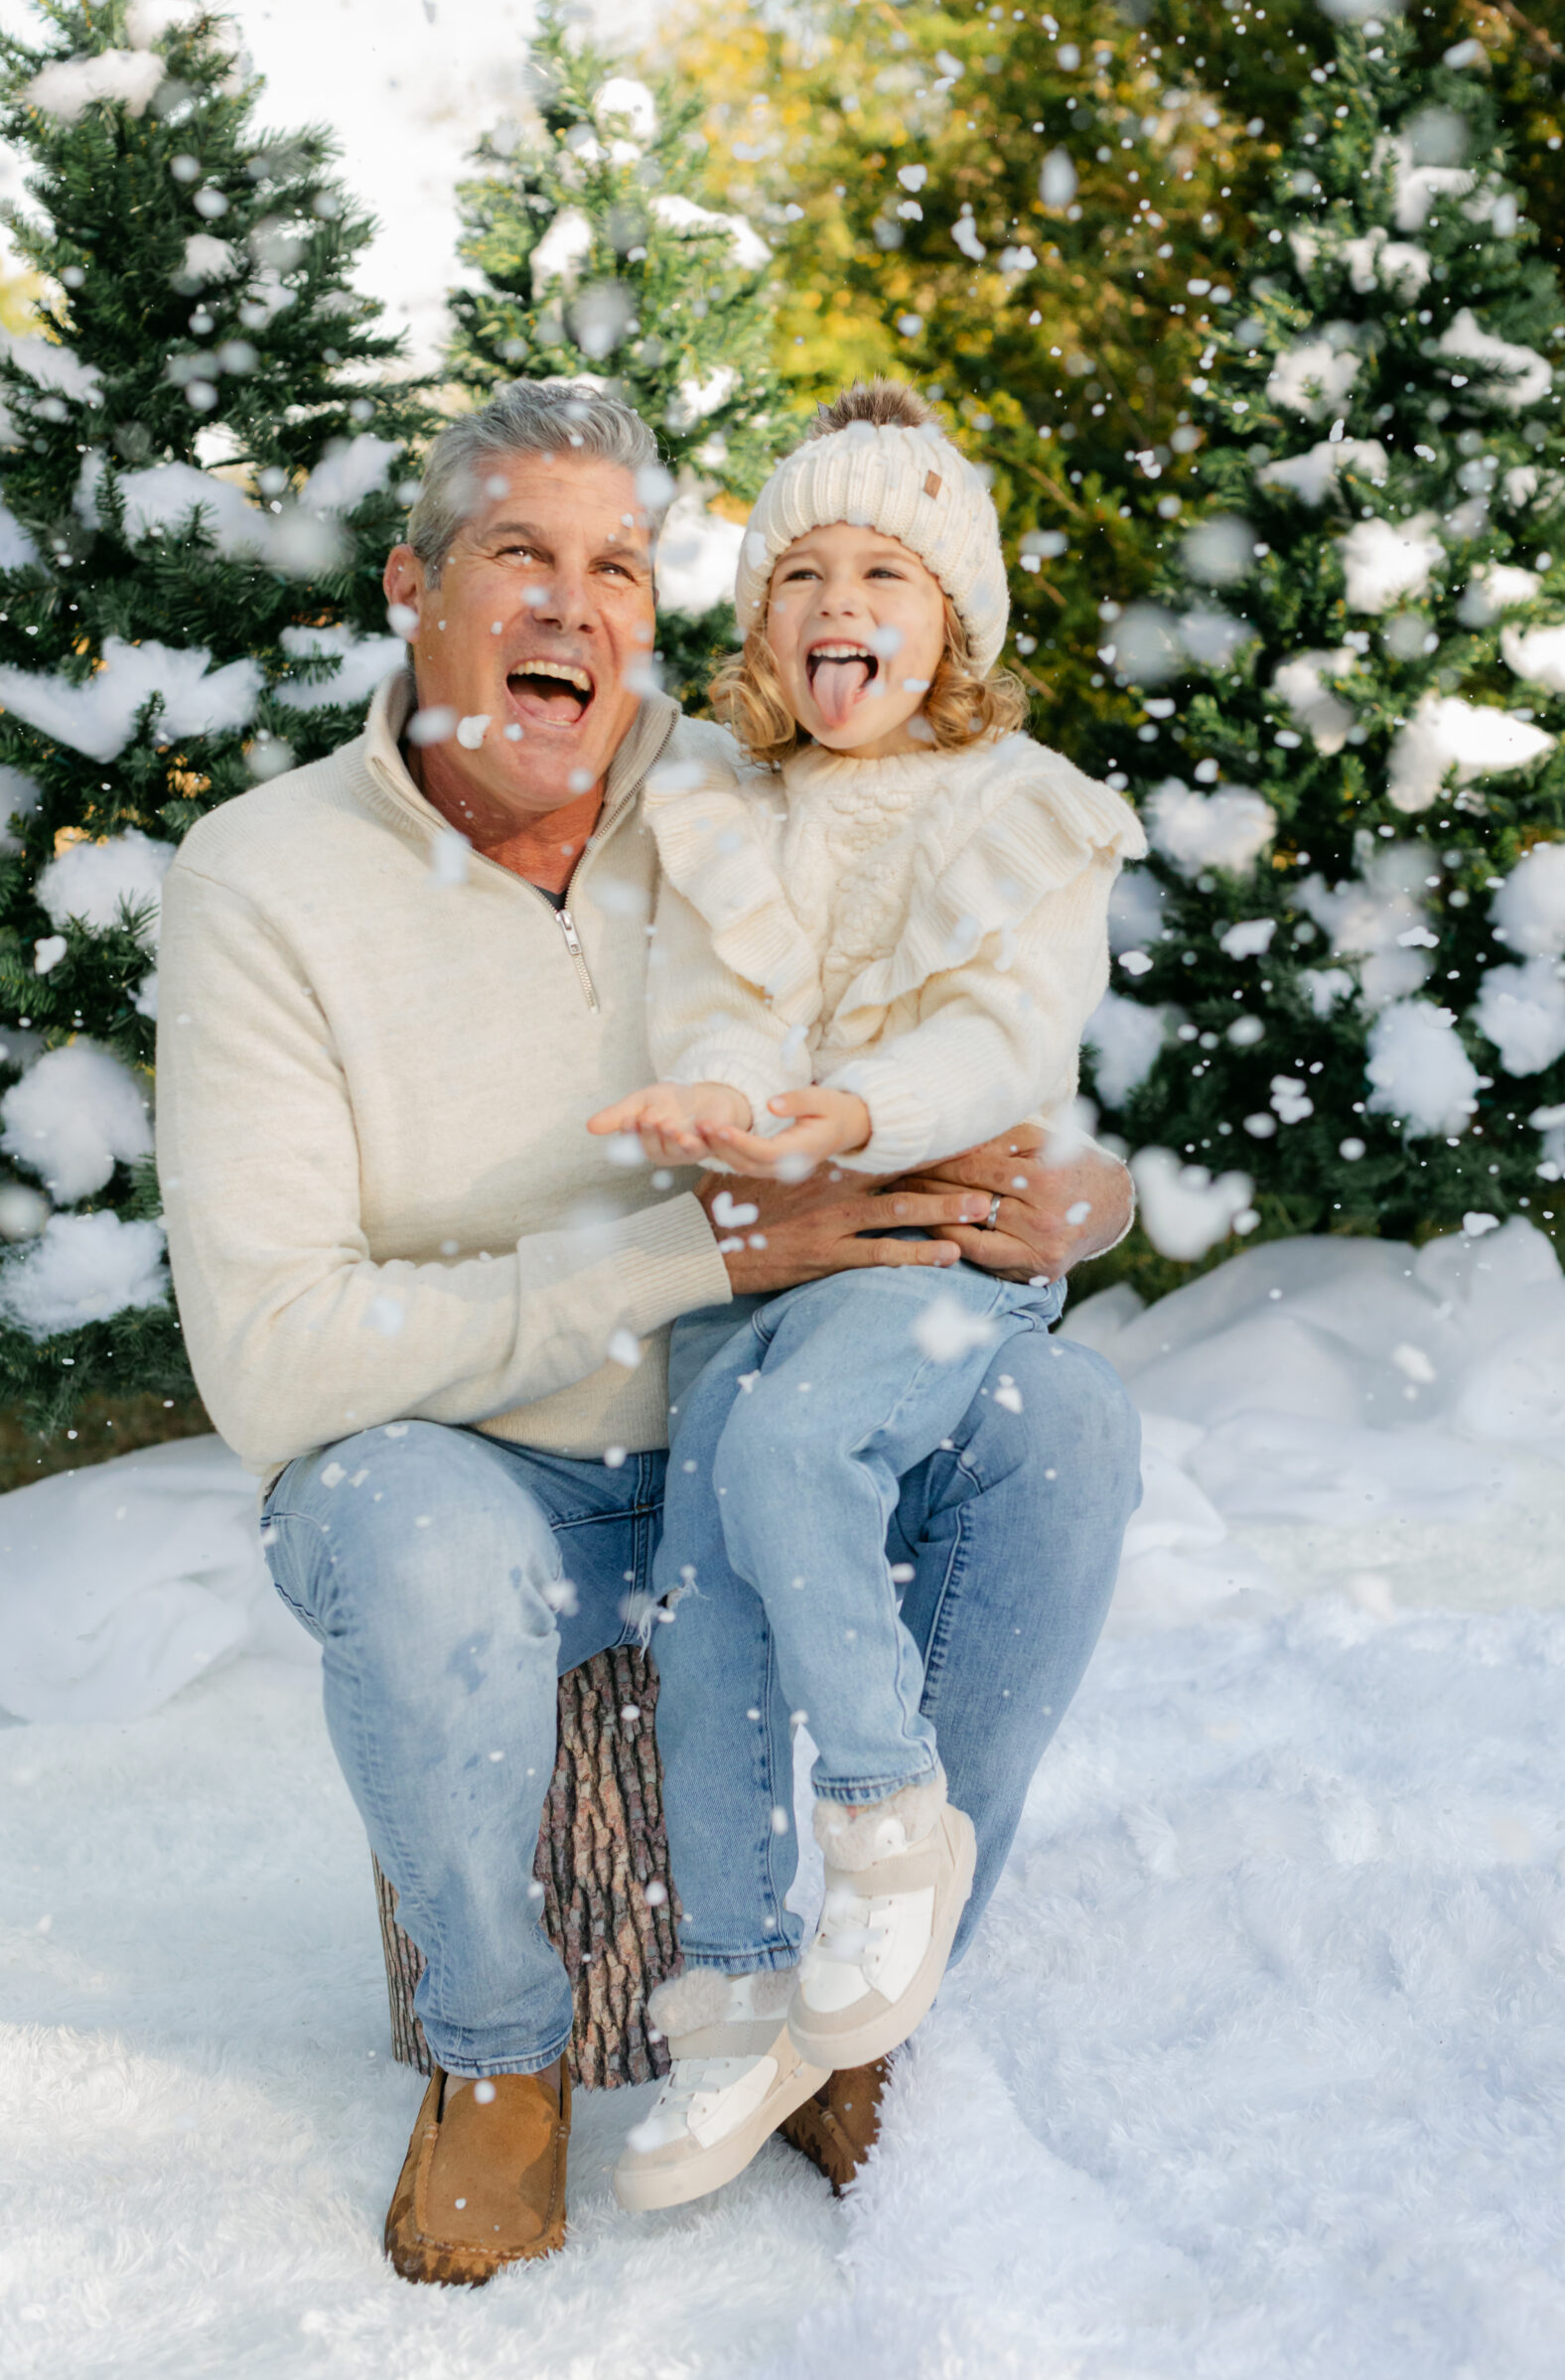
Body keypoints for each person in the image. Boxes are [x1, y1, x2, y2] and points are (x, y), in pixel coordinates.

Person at [153, 380, 1141, 2288]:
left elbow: (981, 1025)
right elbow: (272, 1360)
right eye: (518, 554)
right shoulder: (265, 882)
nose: (573, 610)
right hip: (481, 1467)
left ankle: (872, 1997)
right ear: (413, 589)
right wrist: (707, 1253)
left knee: (1058, 1424)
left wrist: (1074, 1197)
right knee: (397, 1523)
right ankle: (500, 2056)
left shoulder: (750, 784)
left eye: (618, 565)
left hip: (750, 1433)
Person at [592, 383, 1142, 2213]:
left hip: (931, 1247)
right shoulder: (721, 809)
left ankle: (892, 1830)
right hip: (771, 1239)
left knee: (799, 1450)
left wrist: (854, 1118)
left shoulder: (1021, 811)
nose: (843, 602)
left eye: (888, 572)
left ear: (955, 619)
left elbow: (1006, 1032)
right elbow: (715, 1000)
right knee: (702, 1567)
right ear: (759, 624)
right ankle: (742, 1979)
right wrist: (734, 1109)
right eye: (801, 572)